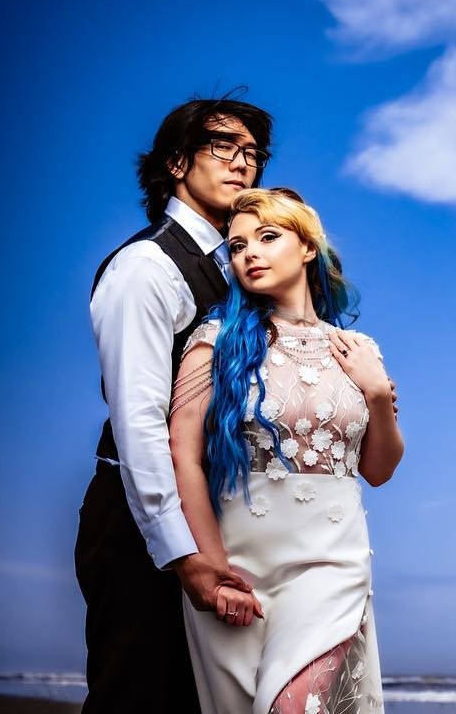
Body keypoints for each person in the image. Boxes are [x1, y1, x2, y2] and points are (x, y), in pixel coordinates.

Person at [168, 187, 405, 713]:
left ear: (306, 248)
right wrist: (209, 566)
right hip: (239, 570)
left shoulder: (359, 350)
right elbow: (182, 456)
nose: (249, 252)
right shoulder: (215, 341)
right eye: (236, 245)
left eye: (267, 237)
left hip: (332, 564)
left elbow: (380, 470)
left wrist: (377, 394)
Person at [75, 94, 275, 713]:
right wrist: (182, 553)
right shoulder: (146, 267)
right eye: (223, 146)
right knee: (135, 699)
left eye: (252, 153)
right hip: (144, 526)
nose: (242, 163)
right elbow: (138, 420)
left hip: (208, 521)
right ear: (177, 162)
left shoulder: (234, 272)